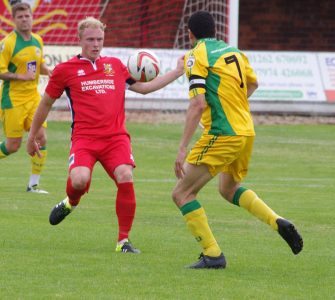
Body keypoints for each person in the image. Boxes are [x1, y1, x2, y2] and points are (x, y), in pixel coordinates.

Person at [26, 17, 184, 253]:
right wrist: (32, 136)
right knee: (79, 181)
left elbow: (144, 88)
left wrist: (178, 71)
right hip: (84, 139)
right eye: (90, 39)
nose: (96, 44)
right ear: (79, 40)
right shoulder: (64, 71)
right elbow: (45, 103)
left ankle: (123, 241)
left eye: (99, 39)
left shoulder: (116, 65)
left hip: (115, 139)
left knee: (125, 175)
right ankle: (71, 202)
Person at [172, 11, 303, 269]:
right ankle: (277, 221)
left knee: (182, 193)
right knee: (228, 189)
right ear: (215, 31)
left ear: (190, 34)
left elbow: (197, 104)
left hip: (223, 133)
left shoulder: (196, 55)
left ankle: (212, 254)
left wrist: (182, 147)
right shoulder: (236, 53)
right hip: (246, 132)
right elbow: (253, 85)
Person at [0, 1, 51, 193]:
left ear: (32, 17)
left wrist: (48, 70)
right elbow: (1, 71)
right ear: (13, 20)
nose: (24, 19)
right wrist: (21, 76)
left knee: (41, 137)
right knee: (13, 145)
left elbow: (40, 63)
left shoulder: (38, 39)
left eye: (27, 16)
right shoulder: (7, 43)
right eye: (20, 17)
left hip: (33, 98)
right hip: (12, 100)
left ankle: (33, 185)